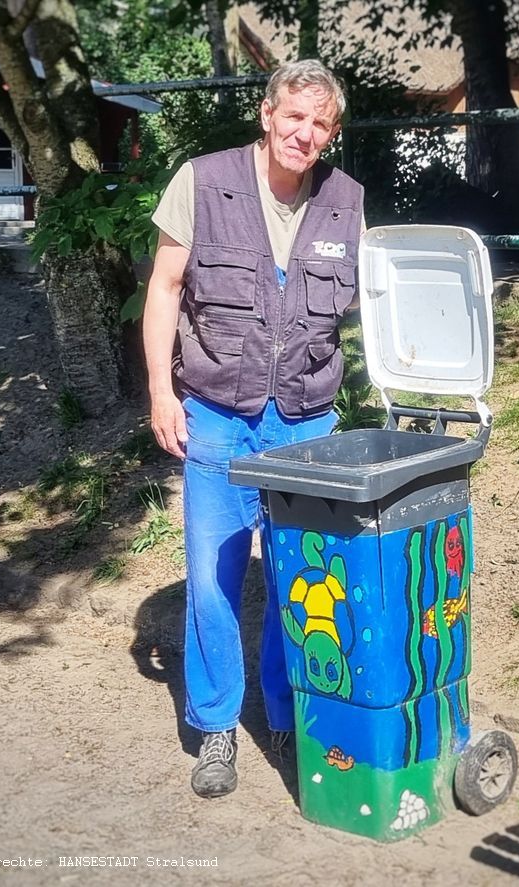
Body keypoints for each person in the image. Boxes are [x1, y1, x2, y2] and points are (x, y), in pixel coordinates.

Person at [142, 59, 364, 799]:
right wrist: (159, 392)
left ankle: (285, 713)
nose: (305, 134)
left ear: (331, 134)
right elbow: (166, 288)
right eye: (294, 116)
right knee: (214, 582)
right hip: (216, 415)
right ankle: (215, 725)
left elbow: (377, 304)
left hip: (307, 422)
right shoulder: (202, 182)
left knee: (301, 581)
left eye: (321, 124)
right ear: (267, 115)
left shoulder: (347, 202)